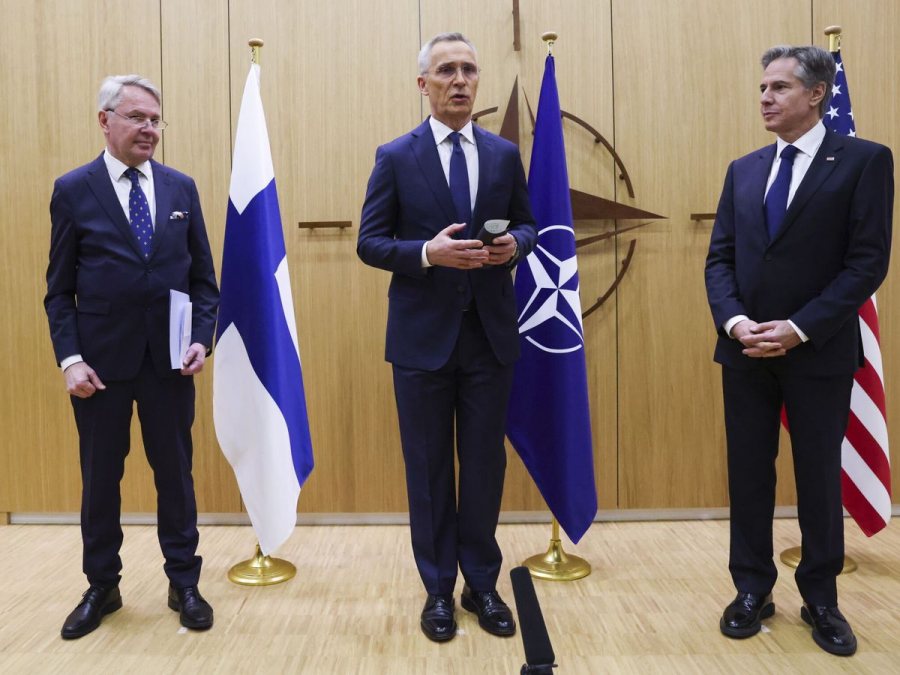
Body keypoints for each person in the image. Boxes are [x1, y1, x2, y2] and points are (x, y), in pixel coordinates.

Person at [705, 45, 893, 656]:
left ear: (816, 94)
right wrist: (736, 322)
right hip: (745, 352)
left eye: (779, 87)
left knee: (818, 478)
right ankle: (751, 589)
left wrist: (799, 327)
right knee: (748, 475)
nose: (765, 97)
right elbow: (720, 259)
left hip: (819, 351)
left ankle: (821, 598)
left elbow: (867, 263)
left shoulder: (864, 161)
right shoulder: (744, 168)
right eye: (763, 87)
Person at [357, 32, 537, 642]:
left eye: (468, 70)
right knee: (429, 467)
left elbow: (528, 223)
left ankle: (481, 584)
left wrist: (516, 245)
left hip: (490, 338)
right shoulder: (395, 156)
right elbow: (369, 242)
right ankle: (437, 588)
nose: (459, 80)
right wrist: (426, 254)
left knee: (484, 464)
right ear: (423, 84)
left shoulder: (503, 155)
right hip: (421, 342)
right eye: (446, 71)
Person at [45, 74, 220, 639]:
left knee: (176, 476)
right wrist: (70, 359)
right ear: (105, 120)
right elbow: (58, 291)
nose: (149, 129)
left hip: (169, 363)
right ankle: (102, 585)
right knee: (100, 479)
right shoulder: (73, 190)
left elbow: (204, 282)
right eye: (137, 117)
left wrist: (202, 337)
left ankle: (184, 581)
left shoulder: (181, 188)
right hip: (99, 368)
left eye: (155, 120)